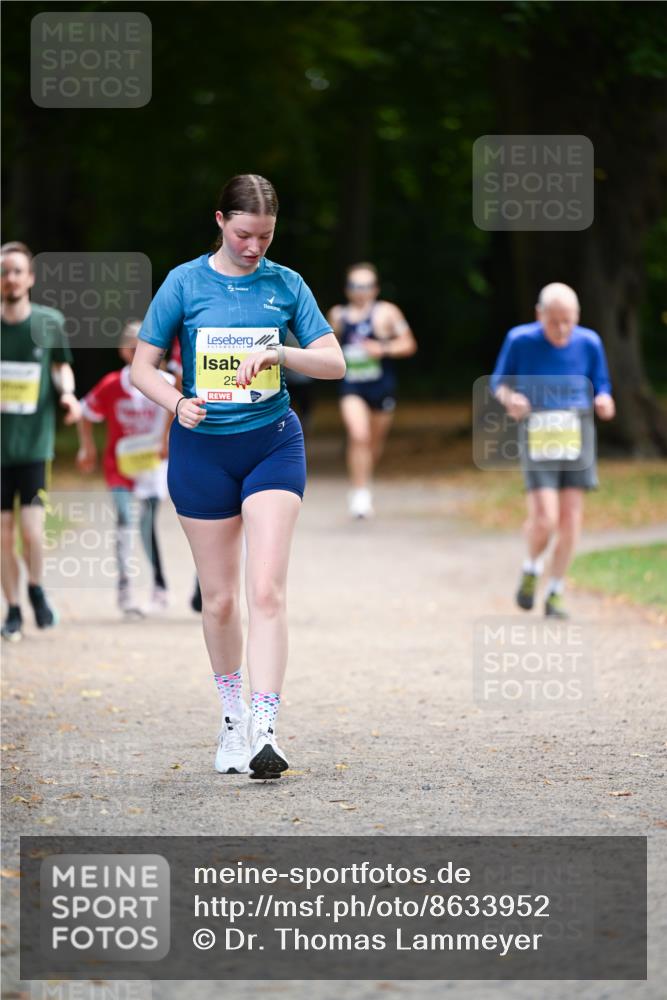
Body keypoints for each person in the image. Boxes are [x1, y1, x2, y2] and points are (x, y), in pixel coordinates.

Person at [131, 174, 345, 778]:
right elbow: (141, 370)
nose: (255, 248)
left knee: (267, 591)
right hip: (202, 452)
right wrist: (176, 402)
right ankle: (231, 720)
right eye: (246, 234)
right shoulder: (184, 283)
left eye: (267, 236)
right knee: (221, 600)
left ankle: (266, 729)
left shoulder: (286, 285)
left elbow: (334, 361)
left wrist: (280, 353)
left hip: (273, 445)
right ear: (220, 221)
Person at [491, 282, 616, 618]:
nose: (561, 329)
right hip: (539, 430)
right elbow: (499, 382)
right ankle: (532, 568)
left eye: (568, 321)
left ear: (577, 316)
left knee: (571, 517)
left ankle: (556, 591)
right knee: (544, 518)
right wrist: (511, 398)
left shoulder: (590, 342)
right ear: (539, 315)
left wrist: (604, 398)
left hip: (577, 430)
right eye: (554, 321)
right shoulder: (520, 339)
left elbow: (601, 381)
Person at [1, 241, 80, 641]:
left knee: (31, 532)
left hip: (33, 446)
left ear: (29, 278)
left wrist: (67, 394)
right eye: (3, 272)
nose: (9, 278)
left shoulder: (48, 322)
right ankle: (12, 609)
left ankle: (35, 587)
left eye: (16, 271)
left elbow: (62, 369)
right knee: (2, 535)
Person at [76, 321, 174, 616]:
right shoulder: (111, 385)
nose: (138, 353)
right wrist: (87, 447)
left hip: (154, 464)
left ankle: (159, 588)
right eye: (132, 348)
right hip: (120, 465)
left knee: (147, 523)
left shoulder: (167, 383)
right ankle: (124, 588)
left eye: (146, 347)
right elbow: (85, 412)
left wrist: (168, 438)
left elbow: (178, 410)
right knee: (124, 521)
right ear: (122, 351)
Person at [327, 263, 417, 518]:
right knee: (359, 435)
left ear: (375, 288)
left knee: (373, 444)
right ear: (347, 289)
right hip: (351, 386)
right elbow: (325, 345)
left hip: (381, 386)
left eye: (366, 286)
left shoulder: (387, 313)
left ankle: (363, 481)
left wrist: (383, 348)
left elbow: (409, 343)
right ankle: (360, 493)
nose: (361, 291)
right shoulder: (338, 315)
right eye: (356, 286)